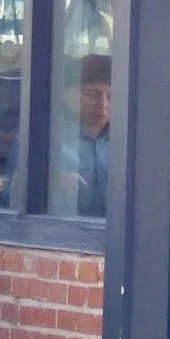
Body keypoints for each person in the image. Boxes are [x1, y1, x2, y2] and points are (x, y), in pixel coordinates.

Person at [59, 52, 113, 217]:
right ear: (66, 94)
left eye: (111, 96)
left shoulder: (131, 143)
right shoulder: (45, 139)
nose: (102, 104)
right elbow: (13, 197)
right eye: (91, 94)